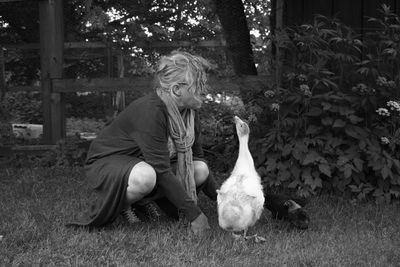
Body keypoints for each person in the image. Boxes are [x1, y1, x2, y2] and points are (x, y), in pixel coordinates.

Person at [68, 50, 218, 235]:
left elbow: (197, 157)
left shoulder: (190, 113)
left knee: (200, 169)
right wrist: (195, 215)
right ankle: (123, 205)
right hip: (109, 162)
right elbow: (161, 170)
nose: (205, 90)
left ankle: (143, 202)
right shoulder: (151, 111)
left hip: (144, 163)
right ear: (177, 90)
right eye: (198, 85)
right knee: (145, 177)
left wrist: (221, 197)